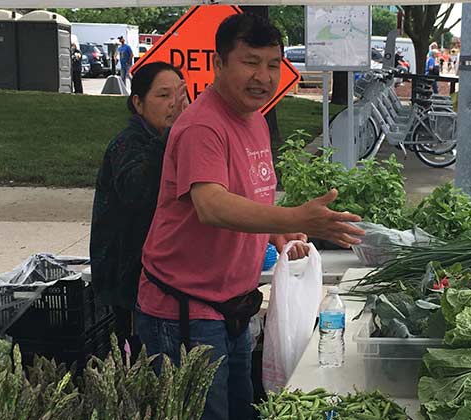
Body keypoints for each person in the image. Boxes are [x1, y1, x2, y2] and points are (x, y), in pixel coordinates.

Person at [134, 14, 365, 419]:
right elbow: (211, 205)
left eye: (273, 64)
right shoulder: (202, 126)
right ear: (219, 64)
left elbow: (250, 194)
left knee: (243, 409)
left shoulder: (255, 120)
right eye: (250, 62)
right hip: (185, 312)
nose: (263, 75)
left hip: (231, 307)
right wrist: (293, 215)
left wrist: (279, 232)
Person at [91, 62, 187, 352]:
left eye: (178, 95)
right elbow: (138, 191)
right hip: (128, 281)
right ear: (138, 103)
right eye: (162, 96)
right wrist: (171, 133)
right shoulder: (128, 144)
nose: (173, 104)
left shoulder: (175, 140)